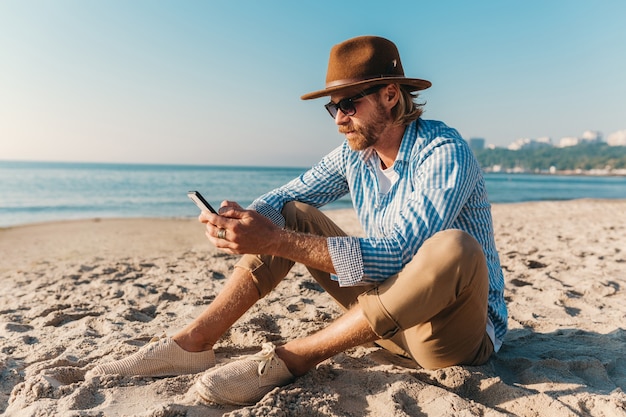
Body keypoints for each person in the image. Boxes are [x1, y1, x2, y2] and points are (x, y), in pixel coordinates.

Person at [86, 35, 508, 406]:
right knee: (294, 215)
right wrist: (242, 221)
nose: (339, 119)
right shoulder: (356, 154)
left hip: (447, 338)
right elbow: (288, 196)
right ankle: (195, 341)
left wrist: (274, 241)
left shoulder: (443, 151)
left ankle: (296, 357)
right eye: (333, 108)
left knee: (454, 247)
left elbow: (399, 255)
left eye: (348, 104)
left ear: (391, 95)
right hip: (381, 318)